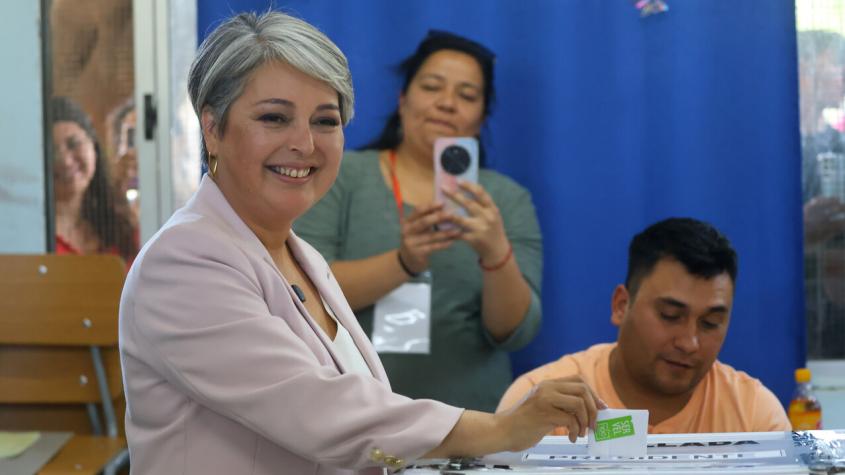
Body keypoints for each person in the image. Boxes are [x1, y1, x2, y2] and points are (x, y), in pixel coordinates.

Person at [118, 12, 603, 474]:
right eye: (274, 117)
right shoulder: (183, 261)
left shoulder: (299, 254)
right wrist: (501, 428)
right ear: (212, 128)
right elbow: (316, 409)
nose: (305, 144)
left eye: (326, 121)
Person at [294, 29, 542, 412]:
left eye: (467, 95)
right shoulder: (341, 175)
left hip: (472, 422)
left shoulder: (506, 199)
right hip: (353, 416)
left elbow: (513, 332)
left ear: (481, 118)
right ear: (403, 100)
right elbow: (301, 289)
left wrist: (496, 253)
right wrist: (404, 262)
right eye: (432, 87)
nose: (447, 103)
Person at [497, 218, 791, 433]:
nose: (689, 342)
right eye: (670, 316)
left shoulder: (755, 416)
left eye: (710, 323)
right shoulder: (541, 404)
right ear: (621, 305)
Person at [799, 30, 845, 359]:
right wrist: (802, 230)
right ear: (804, 70)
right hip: (798, 308)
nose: (843, 75)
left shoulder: (839, 146)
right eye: (835, 65)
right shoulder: (774, 153)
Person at [51, 96, 137, 264]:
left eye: (73, 144)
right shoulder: (29, 237)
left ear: (94, 146)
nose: (65, 161)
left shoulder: (121, 224)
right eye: (51, 151)